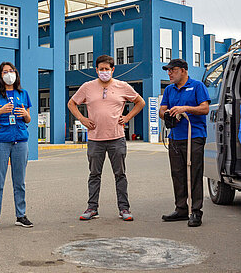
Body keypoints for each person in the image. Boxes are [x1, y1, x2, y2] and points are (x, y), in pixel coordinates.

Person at [68, 54, 145, 222]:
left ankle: (124, 208)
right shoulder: (87, 87)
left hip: (116, 138)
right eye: (101, 69)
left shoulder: (122, 86)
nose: (104, 72)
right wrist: (82, 119)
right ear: (96, 70)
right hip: (95, 139)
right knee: (94, 174)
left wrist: (127, 117)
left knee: (120, 174)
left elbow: (140, 102)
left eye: (107, 69)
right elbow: (71, 103)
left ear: (113, 70)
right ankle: (92, 208)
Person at [159, 58, 210, 227]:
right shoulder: (169, 89)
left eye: (172, 70)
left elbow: (204, 109)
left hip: (194, 136)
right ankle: (181, 209)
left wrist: (185, 109)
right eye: (168, 70)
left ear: (183, 70)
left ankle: (196, 211)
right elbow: (162, 110)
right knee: (178, 174)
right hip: (175, 137)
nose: (169, 73)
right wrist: (167, 114)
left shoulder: (197, 86)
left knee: (194, 174)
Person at [0, 61, 33, 230]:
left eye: (11, 71)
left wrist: (25, 114)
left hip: (20, 141)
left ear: (16, 73)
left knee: (20, 182)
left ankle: (21, 215)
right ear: (0, 75)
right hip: (1, 143)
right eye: (5, 71)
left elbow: (29, 119)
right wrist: (0, 111)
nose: (9, 74)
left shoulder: (23, 93)